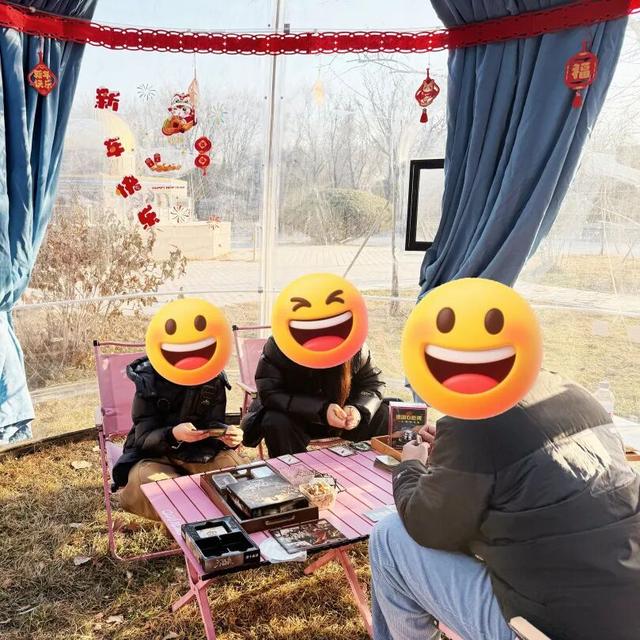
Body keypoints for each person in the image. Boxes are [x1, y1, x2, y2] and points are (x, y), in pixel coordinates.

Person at [369, 369, 640, 640]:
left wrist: (409, 466)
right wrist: (455, 449)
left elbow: (426, 525)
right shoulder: (575, 392)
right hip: (624, 607)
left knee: (389, 537)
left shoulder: (476, 420)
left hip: (548, 626)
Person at [112, 356, 246, 521]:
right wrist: (173, 434)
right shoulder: (148, 378)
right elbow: (143, 439)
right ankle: (189, 520)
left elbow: (212, 422)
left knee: (236, 472)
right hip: (154, 456)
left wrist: (227, 435)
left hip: (200, 452)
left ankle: (220, 520)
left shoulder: (213, 375)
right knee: (151, 484)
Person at [242, 336, 389, 457]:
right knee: (275, 420)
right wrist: (321, 410)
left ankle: (370, 471)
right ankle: (291, 473)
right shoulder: (280, 344)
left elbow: (373, 383)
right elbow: (270, 393)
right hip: (297, 418)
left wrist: (358, 409)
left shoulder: (354, 343)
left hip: (342, 417)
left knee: (382, 413)